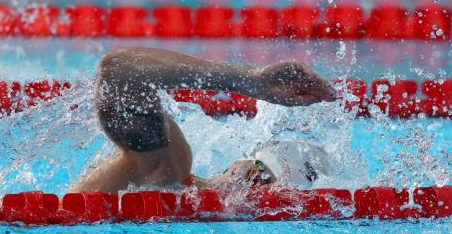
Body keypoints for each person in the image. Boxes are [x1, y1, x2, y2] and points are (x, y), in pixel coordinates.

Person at [71, 47, 337, 193]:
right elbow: (119, 71)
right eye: (257, 172)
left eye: (266, 186)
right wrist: (250, 81)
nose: (254, 189)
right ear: (239, 164)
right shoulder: (171, 170)